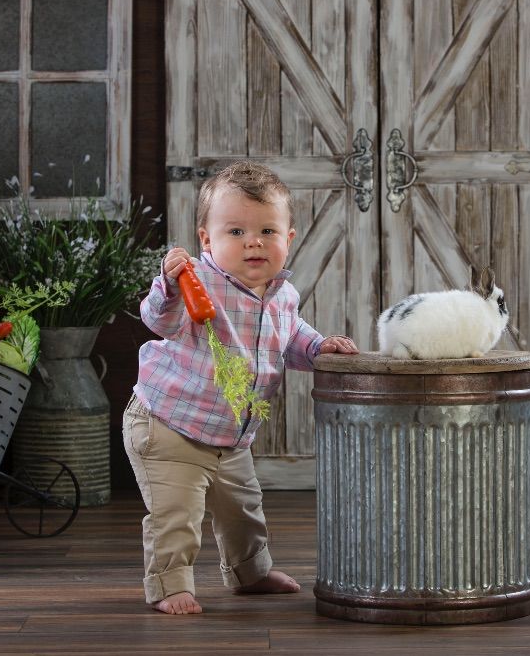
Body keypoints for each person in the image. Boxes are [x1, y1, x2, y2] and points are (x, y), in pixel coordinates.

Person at [123, 161, 358, 615]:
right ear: (206, 240)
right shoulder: (199, 281)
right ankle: (171, 585)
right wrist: (170, 285)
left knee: (244, 510)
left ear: (288, 240)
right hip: (170, 425)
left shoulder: (282, 295)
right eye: (235, 232)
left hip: (231, 436)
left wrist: (320, 346)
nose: (253, 242)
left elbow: (291, 338)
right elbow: (159, 320)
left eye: (268, 231)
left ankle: (250, 572)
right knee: (177, 516)